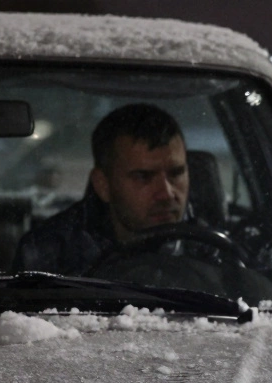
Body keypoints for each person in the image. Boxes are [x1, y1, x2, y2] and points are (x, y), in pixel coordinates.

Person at [14, 102, 195, 275]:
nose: (166, 194)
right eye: (143, 177)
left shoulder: (212, 249)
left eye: (176, 173)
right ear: (103, 185)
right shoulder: (49, 255)